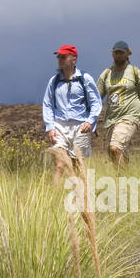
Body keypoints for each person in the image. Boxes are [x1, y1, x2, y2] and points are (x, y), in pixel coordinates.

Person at [42, 45, 100, 183]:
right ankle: (54, 197)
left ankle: (81, 195)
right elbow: (47, 104)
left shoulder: (85, 79)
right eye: (58, 57)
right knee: (59, 164)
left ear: (74, 59)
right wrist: (50, 126)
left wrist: (90, 121)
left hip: (80, 125)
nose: (60, 60)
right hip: (60, 126)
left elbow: (96, 102)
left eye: (63, 57)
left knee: (78, 164)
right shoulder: (54, 81)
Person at [96, 40, 140, 169]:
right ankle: (127, 178)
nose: (118, 55)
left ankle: (123, 180)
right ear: (112, 54)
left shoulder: (134, 72)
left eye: (121, 53)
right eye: (116, 52)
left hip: (129, 117)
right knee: (114, 153)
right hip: (111, 120)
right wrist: (91, 120)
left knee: (115, 147)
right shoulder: (106, 74)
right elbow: (95, 98)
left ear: (128, 54)